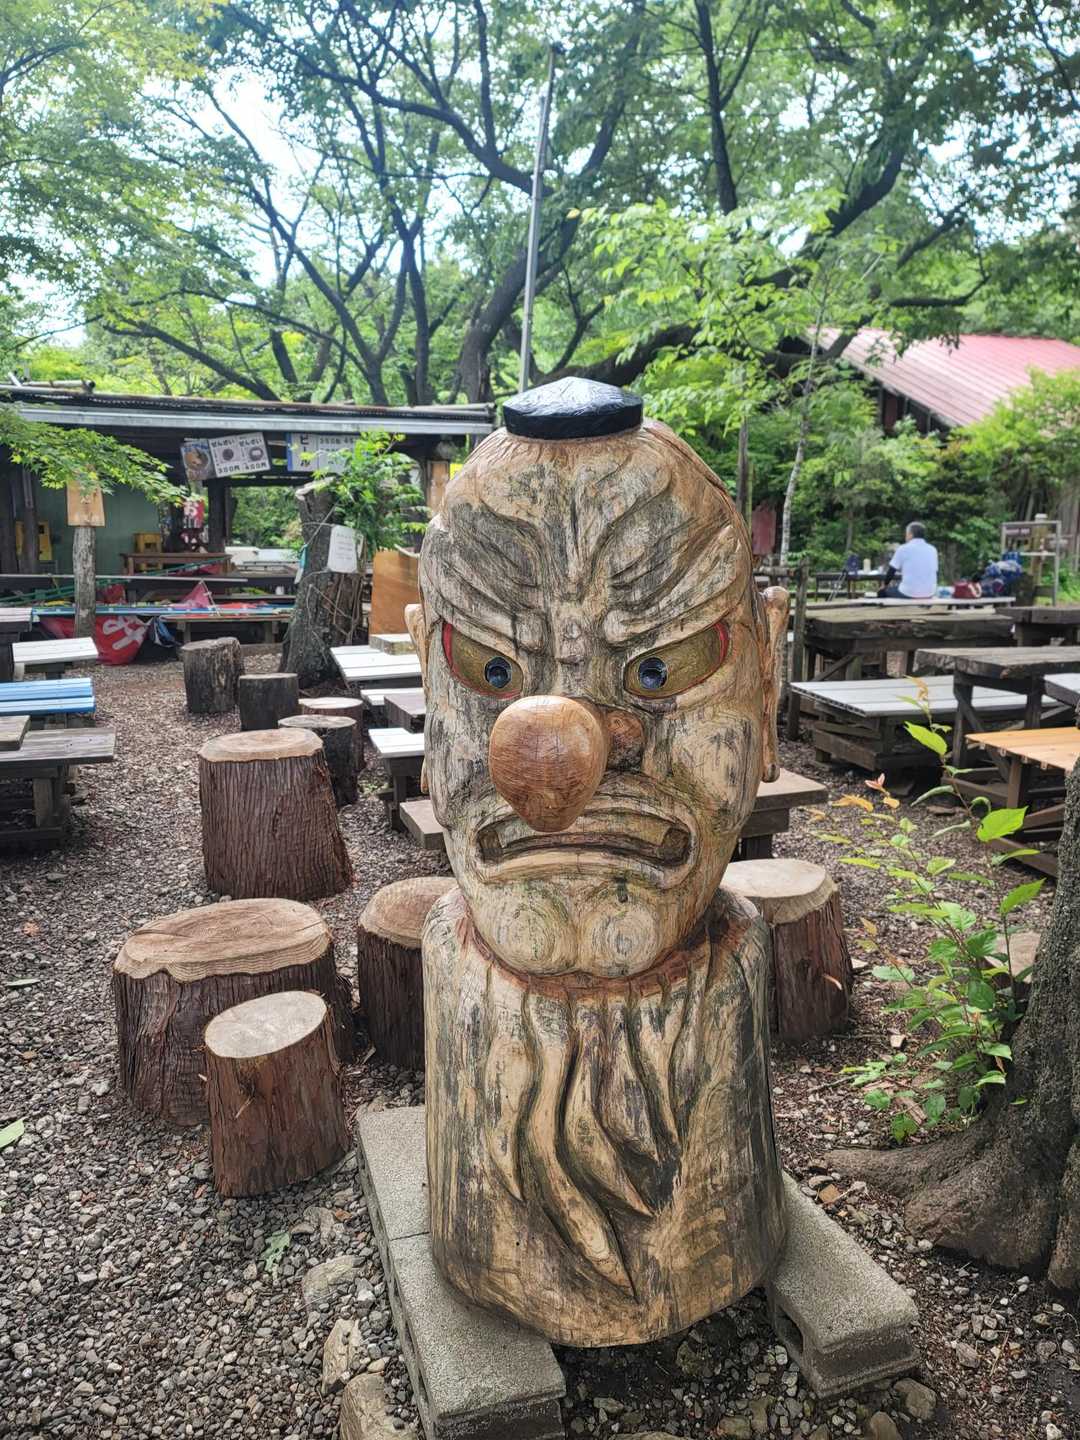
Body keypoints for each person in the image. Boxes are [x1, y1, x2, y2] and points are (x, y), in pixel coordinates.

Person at [878, 521, 938, 598]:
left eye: (906, 534)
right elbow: (935, 572)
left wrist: (884, 585)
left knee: (881, 592)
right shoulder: (933, 549)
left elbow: (891, 571)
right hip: (930, 592)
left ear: (910, 535)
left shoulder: (903, 548)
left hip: (909, 593)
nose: (905, 536)